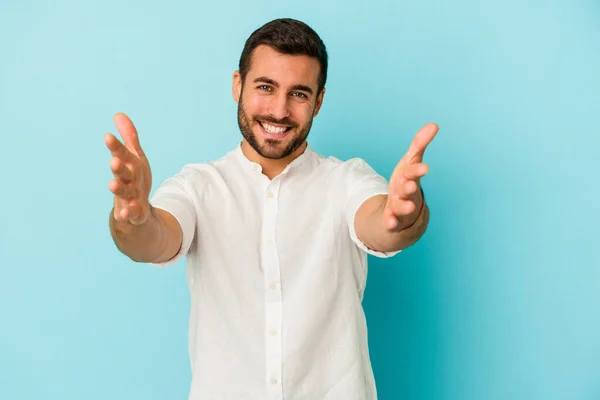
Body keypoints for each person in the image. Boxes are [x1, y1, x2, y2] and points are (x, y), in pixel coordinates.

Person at [105, 17, 437, 400]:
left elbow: (380, 222)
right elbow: (153, 240)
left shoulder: (347, 180)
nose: (279, 111)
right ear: (237, 85)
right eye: (266, 87)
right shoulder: (197, 186)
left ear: (319, 100)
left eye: (298, 93)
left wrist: (405, 216)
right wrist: (134, 219)